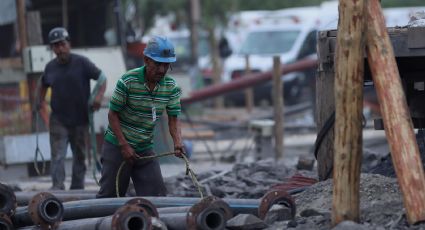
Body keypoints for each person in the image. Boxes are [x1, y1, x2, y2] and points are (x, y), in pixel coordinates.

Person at [96, 36, 185, 198]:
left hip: (145, 147)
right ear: (146, 60)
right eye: (158, 64)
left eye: (166, 65)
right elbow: (112, 114)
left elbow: (173, 118)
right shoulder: (128, 81)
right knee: (110, 197)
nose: (162, 70)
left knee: (157, 197)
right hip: (117, 145)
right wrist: (124, 145)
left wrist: (178, 142)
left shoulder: (171, 87)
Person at [38, 27, 107, 190]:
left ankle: (77, 189)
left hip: (80, 119)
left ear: (69, 44)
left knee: (79, 156)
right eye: (55, 46)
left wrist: (98, 97)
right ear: (52, 49)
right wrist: (39, 102)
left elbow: (102, 78)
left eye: (62, 44)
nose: (59, 49)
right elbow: (43, 84)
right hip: (59, 120)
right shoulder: (50, 67)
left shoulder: (82, 63)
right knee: (58, 156)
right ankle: (58, 187)